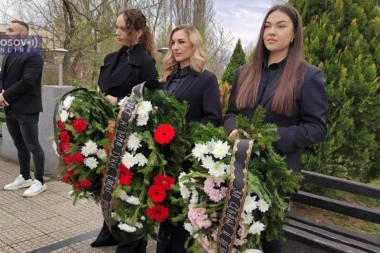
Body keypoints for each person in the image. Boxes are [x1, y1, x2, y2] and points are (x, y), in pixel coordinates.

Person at [224, 4, 328, 252]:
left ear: (294, 35)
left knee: (268, 240)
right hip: (237, 167)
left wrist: (268, 138)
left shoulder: (308, 76)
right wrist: (232, 129)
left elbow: (316, 128)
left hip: (276, 174)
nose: (272, 31)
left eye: (281, 26)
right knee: (231, 236)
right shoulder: (244, 73)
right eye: (267, 26)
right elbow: (230, 113)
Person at [92, 8, 158, 253]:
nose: (117, 32)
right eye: (117, 27)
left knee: (130, 191)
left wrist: (118, 101)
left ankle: (132, 242)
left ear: (138, 32)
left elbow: (151, 104)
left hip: (132, 139)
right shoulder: (111, 58)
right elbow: (101, 87)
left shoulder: (147, 64)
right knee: (112, 186)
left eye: (123, 28)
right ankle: (112, 229)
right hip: (108, 132)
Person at [156, 24, 222, 253]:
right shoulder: (167, 79)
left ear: (194, 44)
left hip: (187, 161)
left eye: (181, 41)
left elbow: (214, 119)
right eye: (173, 42)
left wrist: (184, 137)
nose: (175, 47)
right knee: (164, 218)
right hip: (164, 160)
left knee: (182, 221)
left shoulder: (206, 79)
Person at [0, 20, 46, 197]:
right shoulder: (9, 54)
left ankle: (40, 181)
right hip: (11, 108)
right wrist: (2, 93)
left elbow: (27, 82)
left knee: (33, 145)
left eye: (11, 30)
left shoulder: (34, 56)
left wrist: (4, 96)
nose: (7, 33)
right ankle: (25, 176)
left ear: (23, 34)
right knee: (19, 145)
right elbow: (2, 77)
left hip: (27, 108)